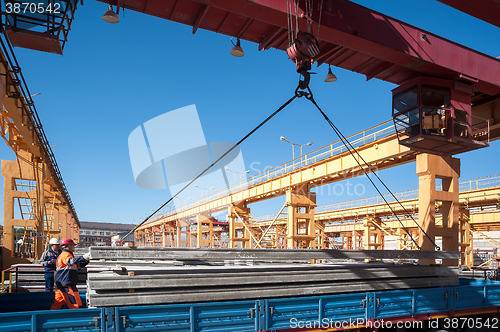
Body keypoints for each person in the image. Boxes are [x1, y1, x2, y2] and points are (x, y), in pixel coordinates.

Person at [50, 238, 90, 310]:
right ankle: (78, 319)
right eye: (73, 245)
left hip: (61, 284)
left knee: (58, 304)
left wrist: (86, 260)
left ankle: (50, 318)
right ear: (68, 245)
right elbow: (70, 262)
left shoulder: (65, 255)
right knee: (75, 304)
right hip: (67, 284)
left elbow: (78, 266)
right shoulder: (66, 254)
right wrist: (83, 257)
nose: (74, 247)